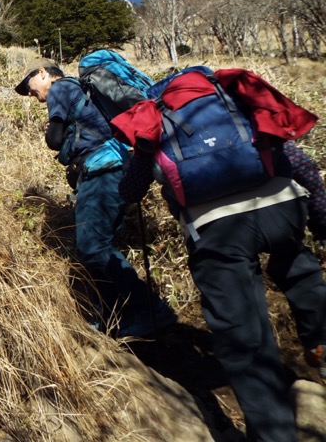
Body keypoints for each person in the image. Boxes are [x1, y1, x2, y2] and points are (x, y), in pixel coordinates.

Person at [113, 94, 326, 441]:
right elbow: (300, 163)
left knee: (244, 335)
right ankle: (319, 340)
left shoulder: (153, 118)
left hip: (216, 227)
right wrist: (321, 223)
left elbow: (131, 190)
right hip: (284, 206)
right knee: (297, 266)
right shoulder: (233, 103)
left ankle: (273, 434)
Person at [14, 57, 176, 337]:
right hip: (114, 169)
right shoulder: (79, 93)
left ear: (43, 73)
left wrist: (52, 132)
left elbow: (53, 140)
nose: (30, 94)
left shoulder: (61, 88)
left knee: (92, 247)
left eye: (29, 86)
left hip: (102, 171)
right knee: (99, 248)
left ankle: (151, 309)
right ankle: (116, 318)